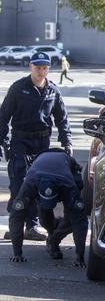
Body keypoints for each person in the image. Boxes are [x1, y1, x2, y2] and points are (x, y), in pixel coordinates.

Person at [0, 52, 73, 241]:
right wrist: (3, 142)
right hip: (20, 143)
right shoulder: (18, 88)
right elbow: (3, 117)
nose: (41, 71)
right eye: (37, 67)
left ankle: (32, 226)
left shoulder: (53, 91)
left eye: (44, 68)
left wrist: (67, 142)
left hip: (42, 144)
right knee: (19, 183)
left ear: (48, 69)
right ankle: (16, 225)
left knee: (39, 183)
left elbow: (62, 119)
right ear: (30, 67)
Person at [8, 149, 87, 267]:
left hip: (66, 172)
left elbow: (80, 221)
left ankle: (54, 239)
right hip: (40, 169)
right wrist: (17, 253)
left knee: (75, 215)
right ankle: (52, 234)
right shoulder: (30, 183)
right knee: (43, 215)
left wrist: (80, 256)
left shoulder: (69, 186)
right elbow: (16, 217)